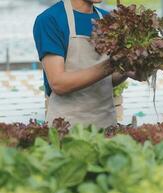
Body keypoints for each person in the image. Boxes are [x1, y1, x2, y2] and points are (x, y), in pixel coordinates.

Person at [33, 0, 138, 128]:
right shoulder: (50, 20)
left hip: (106, 125)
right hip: (68, 130)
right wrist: (110, 66)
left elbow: (105, 81)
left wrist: (129, 68)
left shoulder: (109, 21)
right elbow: (58, 83)